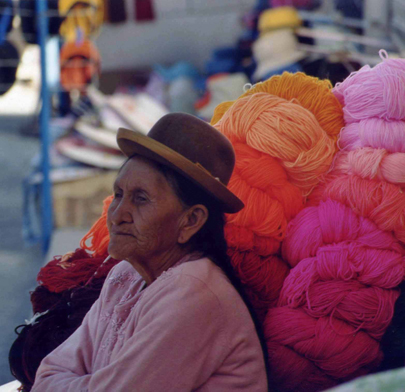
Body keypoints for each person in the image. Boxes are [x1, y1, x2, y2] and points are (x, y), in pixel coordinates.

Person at [32, 113, 268, 391]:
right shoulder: (126, 275)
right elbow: (48, 373)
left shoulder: (195, 293)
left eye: (141, 199)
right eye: (118, 194)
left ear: (190, 221)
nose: (117, 215)